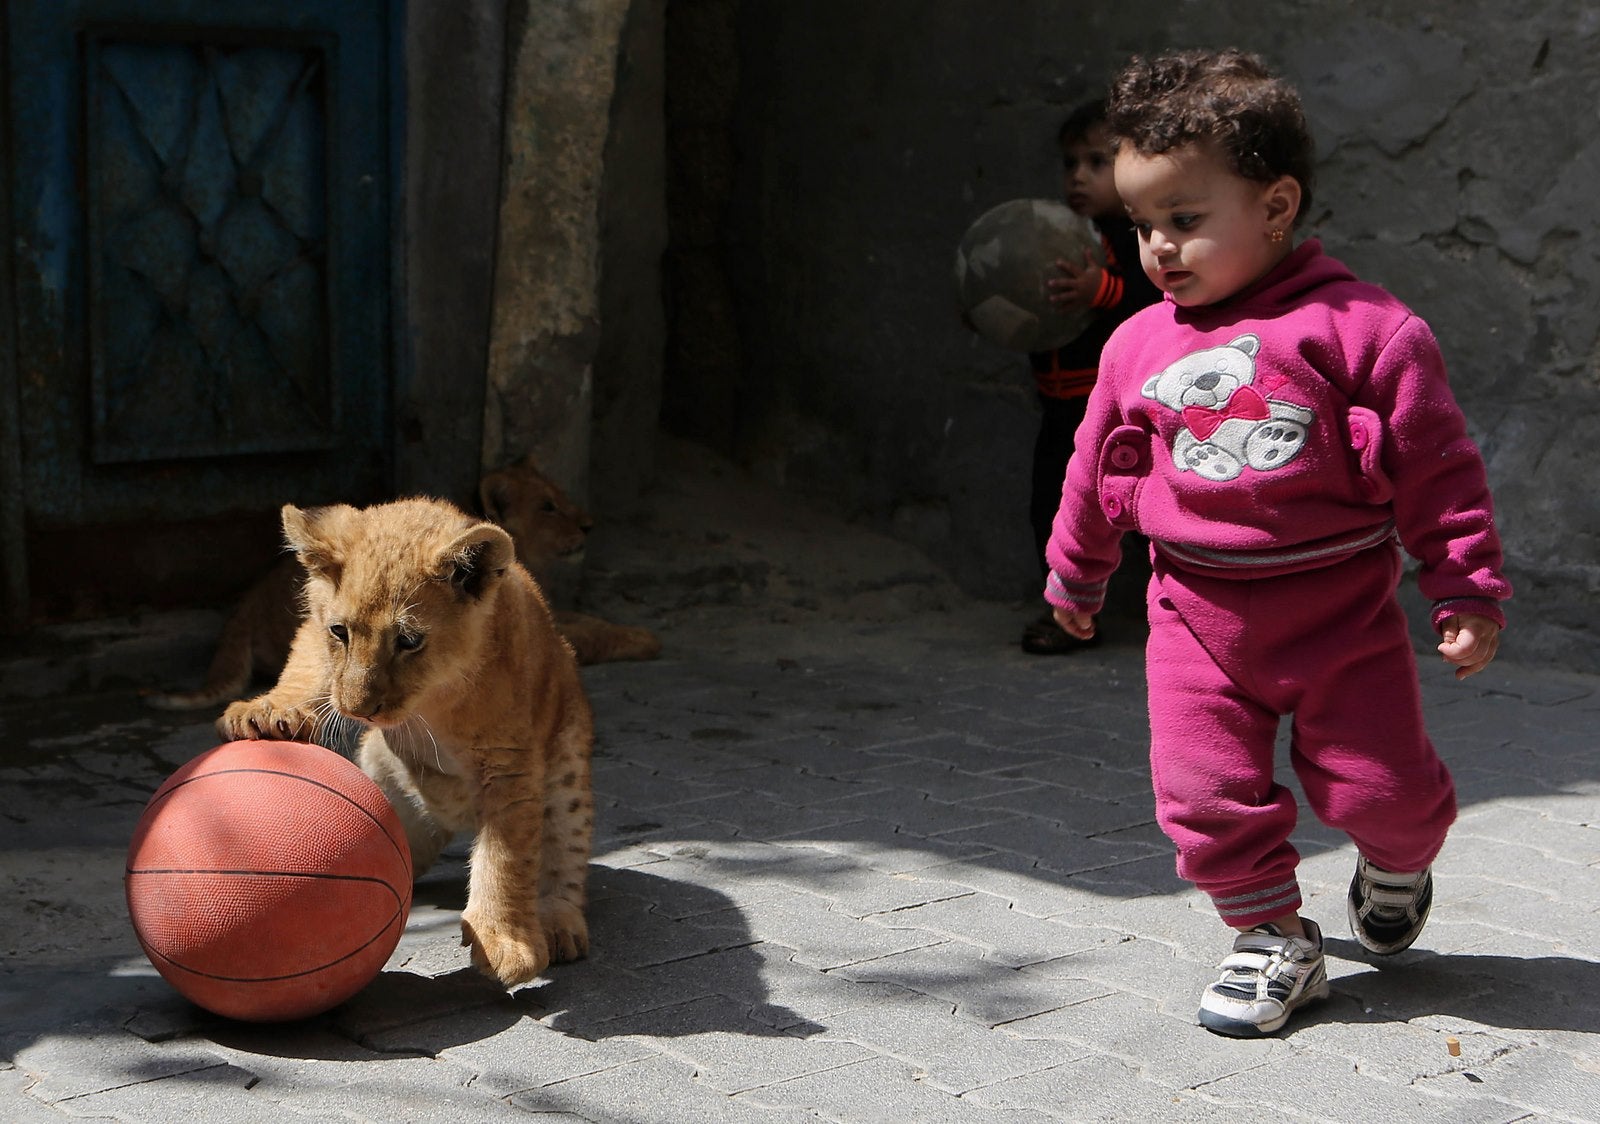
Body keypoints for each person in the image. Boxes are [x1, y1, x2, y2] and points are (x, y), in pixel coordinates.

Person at [1041, 49, 1510, 1037]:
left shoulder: (1365, 330)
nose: (1157, 248)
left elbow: (1437, 466)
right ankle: (1268, 934)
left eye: (1183, 220)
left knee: (1384, 793)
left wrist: (1462, 585)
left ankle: (1395, 860)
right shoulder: (1135, 343)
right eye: (1140, 225)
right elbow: (1099, 464)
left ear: (1275, 204)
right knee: (1202, 793)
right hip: (1193, 616)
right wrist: (1077, 572)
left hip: (1339, 612)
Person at [1020, 100, 1162, 655]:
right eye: (1071, 163)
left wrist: (1101, 290)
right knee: (1054, 512)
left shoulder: (1138, 235)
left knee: (1154, 514)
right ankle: (1066, 612)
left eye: (1097, 162)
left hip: (1119, 411)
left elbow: (1154, 299)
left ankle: (1195, 616)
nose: (1079, 176)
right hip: (1058, 409)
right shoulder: (1057, 235)